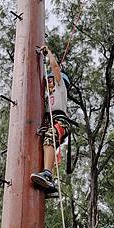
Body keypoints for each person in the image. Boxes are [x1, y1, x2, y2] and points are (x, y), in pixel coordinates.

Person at [30, 45, 71, 194]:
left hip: (60, 121)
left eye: (50, 80)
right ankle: (48, 181)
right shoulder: (47, 98)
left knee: (50, 136)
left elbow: (54, 67)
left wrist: (48, 53)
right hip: (50, 122)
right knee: (45, 142)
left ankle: (47, 174)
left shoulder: (60, 89)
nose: (49, 83)